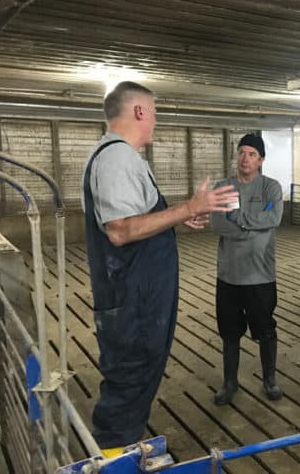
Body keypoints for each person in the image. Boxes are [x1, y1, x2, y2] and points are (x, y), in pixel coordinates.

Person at [82, 81, 238, 457]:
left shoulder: (123, 157)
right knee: (128, 383)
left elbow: (135, 220)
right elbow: (120, 230)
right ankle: (114, 458)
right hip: (132, 304)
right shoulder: (117, 157)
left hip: (138, 300)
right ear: (138, 111)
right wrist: (187, 208)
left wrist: (175, 219)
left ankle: (125, 450)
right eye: (153, 112)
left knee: (136, 382)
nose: (155, 120)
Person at [210, 134, 284, 405]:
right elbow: (218, 224)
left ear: (261, 160)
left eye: (252, 154)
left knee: (265, 329)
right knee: (229, 332)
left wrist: (238, 219)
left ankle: (270, 379)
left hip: (261, 275)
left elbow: (273, 218)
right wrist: (253, 226)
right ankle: (230, 383)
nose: (245, 158)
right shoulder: (223, 187)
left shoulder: (271, 188)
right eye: (242, 152)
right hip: (229, 275)